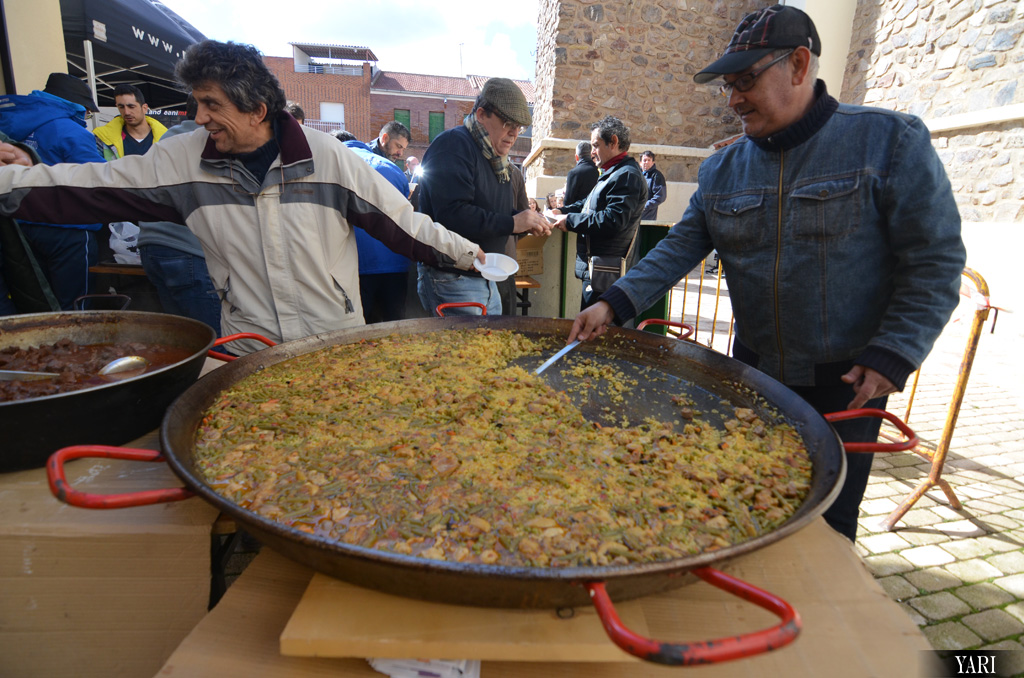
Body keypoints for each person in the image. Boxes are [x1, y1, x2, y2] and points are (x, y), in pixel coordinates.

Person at [567, 5, 966, 543]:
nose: (732, 100)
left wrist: (896, 351)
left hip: (847, 384)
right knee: (743, 504)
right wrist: (613, 302)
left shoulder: (889, 142)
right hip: (753, 374)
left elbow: (935, 262)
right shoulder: (720, 168)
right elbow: (679, 247)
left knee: (825, 528)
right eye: (727, 86)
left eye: (746, 81)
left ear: (798, 65)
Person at [0, 40, 486, 355]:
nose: (199, 117)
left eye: (211, 103)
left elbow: (403, 223)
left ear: (257, 109)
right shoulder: (184, 161)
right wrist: (10, 183)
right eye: (198, 102)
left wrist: (469, 255)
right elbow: (91, 186)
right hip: (248, 348)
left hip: (333, 343)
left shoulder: (327, 158)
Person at [415, 77, 550, 316]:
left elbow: (489, 210)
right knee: (468, 343)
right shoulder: (453, 145)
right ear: (481, 114)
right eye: (508, 123)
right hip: (452, 277)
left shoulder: (495, 157)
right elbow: (452, 215)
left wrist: (525, 220)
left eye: (519, 127)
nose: (514, 133)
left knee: (491, 340)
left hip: (486, 275)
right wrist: (512, 223)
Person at [0, 72, 105, 310]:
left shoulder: (10, 123)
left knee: (41, 299)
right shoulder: (71, 131)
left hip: (21, 226)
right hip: (69, 228)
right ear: (77, 105)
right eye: (87, 111)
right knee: (76, 305)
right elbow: (100, 180)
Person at [136, 95, 221, 334]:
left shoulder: (167, 139)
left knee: (183, 337)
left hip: (151, 246)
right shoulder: (211, 141)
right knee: (214, 339)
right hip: (188, 249)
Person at [549, 115, 647, 311]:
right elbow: (588, 204)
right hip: (599, 269)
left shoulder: (626, 175)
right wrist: (561, 210)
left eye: (596, 145)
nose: (592, 152)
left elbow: (612, 220)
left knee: (594, 327)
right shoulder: (614, 172)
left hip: (606, 272)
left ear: (613, 142)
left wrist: (569, 220)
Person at [339, 137, 413, 324]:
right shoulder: (391, 167)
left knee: (360, 330)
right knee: (396, 328)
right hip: (396, 263)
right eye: (398, 146)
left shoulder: (337, 163)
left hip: (357, 265)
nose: (400, 152)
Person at [94, 84, 168, 159]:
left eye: (131, 107)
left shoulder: (166, 138)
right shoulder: (103, 138)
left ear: (144, 108)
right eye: (121, 107)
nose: (126, 112)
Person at [563, 140, 599, 206]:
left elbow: (568, 202)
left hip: (579, 210)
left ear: (576, 157)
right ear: (591, 155)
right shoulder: (599, 170)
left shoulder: (574, 173)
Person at [639, 150, 667, 221]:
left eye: (649, 160)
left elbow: (660, 196)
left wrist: (644, 206)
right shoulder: (636, 175)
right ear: (640, 163)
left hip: (647, 217)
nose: (646, 162)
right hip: (632, 216)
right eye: (644, 160)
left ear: (653, 162)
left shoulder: (657, 176)